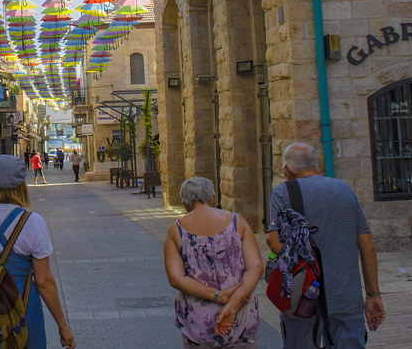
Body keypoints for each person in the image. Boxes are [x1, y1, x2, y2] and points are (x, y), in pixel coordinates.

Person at [266, 142, 385, 349]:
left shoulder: (283, 192)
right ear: (317, 165)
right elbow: (367, 246)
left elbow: (273, 240)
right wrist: (373, 294)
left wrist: (296, 263)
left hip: (303, 296)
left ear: (287, 168)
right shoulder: (344, 189)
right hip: (347, 295)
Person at [0, 155, 75, 349]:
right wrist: (63, 326)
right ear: (21, 185)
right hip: (24, 312)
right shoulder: (32, 222)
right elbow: (43, 282)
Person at [164, 177, 261, 348]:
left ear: (185, 204)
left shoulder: (176, 230)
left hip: (199, 325)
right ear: (214, 198)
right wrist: (233, 303)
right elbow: (256, 268)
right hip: (240, 319)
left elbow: (176, 278)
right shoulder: (237, 221)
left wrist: (217, 295)